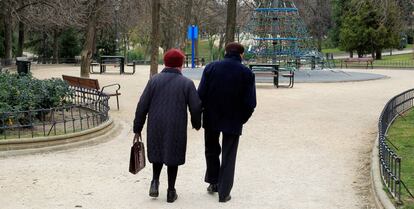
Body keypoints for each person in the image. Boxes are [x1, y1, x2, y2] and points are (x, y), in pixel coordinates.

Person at [133, 48, 202, 203]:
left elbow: (142, 105)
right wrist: (196, 123)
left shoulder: (154, 80)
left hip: (156, 122)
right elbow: (196, 106)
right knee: (173, 155)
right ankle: (171, 191)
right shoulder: (187, 83)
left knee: (157, 152)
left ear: (165, 62)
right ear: (181, 64)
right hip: (176, 124)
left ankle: (155, 182)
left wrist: (137, 127)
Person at [198, 42, 257, 203]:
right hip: (234, 118)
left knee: (211, 150)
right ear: (241, 55)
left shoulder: (211, 68)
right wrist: (241, 118)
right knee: (229, 155)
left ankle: (213, 182)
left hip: (211, 116)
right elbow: (251, 103)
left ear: (225, 52)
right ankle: (224, 192)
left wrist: (200, 114)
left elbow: (200, 94)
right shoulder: (246, 73)